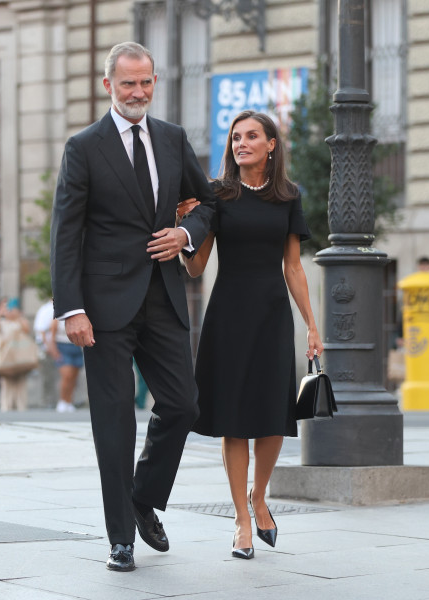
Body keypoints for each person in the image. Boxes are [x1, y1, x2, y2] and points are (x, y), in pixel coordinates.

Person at [50, 41, 216, 572]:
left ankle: (143, 496)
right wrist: (70, 308)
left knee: (185, 404)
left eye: (145, 83)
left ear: (154, 81)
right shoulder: (84, 147)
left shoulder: (171, 139)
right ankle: (121, 536)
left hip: (164, 296)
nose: (138, 92)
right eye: (128, 84)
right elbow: (65, 234)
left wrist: (185, 234)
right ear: (108, 86)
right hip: (101, 308)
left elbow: (209, 200)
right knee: (114, 421)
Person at [179, 110, 323, 560]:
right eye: (236, 137)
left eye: (252, 136)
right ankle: (242, 517)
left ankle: (260, 496)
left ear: (271, 145)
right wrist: (186, 229)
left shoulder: (288, 197)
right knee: (234, 418)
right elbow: (197, 266)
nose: (242, 143)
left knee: (272, 414)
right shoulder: (217, 195)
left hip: (272, 315)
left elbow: (294, 266)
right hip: (228, 316)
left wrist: (312, 326)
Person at [0, 298, 32, 412]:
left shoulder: (19, 321)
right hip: (5, 358)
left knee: (21, 385)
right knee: (6, 385)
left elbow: (27, 329)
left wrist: (18, 315)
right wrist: (1, 311)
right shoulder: (1, 323)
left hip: (19, 358)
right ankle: (6, 408)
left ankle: (21, 409)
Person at [48, 316, 83, 413]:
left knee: (74, 377)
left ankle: (69, 401)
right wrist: (54, 351)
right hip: (62, 347)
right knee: (67, 375)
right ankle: (62, 400)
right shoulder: (58, 319)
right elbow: (52, 336)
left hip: (76, 346)